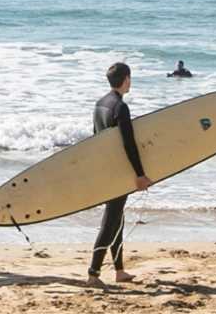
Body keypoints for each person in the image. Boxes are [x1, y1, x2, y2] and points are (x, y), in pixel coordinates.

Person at [87, 62, 152, 287]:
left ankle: (119, 270)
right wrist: (140, 174)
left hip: (106, 170)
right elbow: (128, 144)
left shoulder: (100, 104)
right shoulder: (120, 107)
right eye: (130, 78)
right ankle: (93, 273)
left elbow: (95, 139)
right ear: (126, 79)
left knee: (118, 220)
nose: (130, 82)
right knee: (111, 221)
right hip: (118, 173)